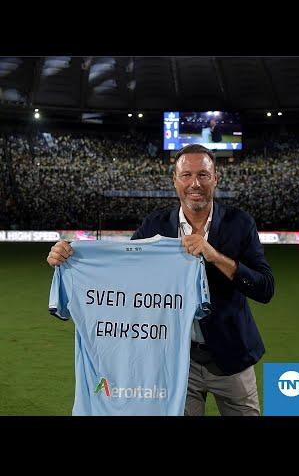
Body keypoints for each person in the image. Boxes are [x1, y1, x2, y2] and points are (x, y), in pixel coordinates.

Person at [47, 144, 274, 416]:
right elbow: (122, 274)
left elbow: (264, 288)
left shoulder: (240, 223)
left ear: (215, 179)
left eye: (203, 175)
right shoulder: (155, 225)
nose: (195, 183)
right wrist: (72, 258)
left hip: (232, 356)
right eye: (186, 175)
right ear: (175, 181)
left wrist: (215, 256)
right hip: (175, 362)